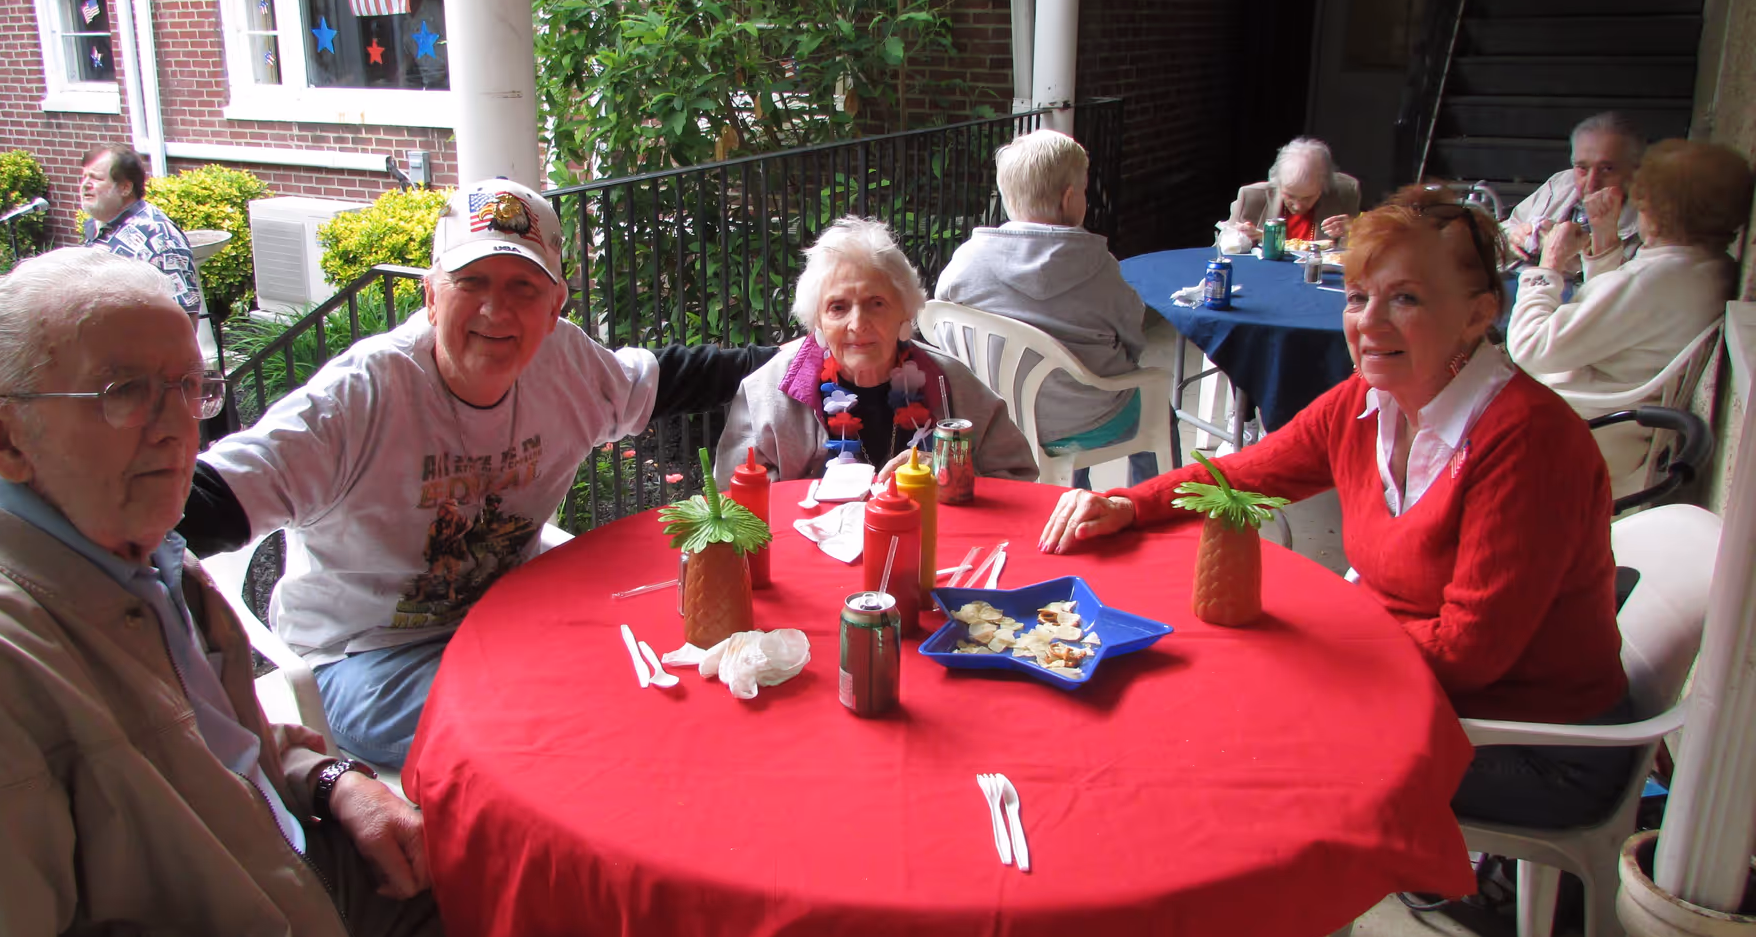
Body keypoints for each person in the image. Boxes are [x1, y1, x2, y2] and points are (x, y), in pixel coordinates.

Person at [0, 248, 617, 937]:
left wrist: (327, 778)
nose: (178, 429)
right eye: (124, 392)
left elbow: (200, 737)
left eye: (188, 389)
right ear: (0, 435)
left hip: (269, 884)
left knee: (546, 872)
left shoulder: (121, 551)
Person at [1040, 186, 1631, 831]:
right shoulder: (1367, 403)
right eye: (1357, 297)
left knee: (1237, 759)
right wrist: (1127, 503)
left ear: (1476, 314)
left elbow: (1468, 656)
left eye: (1405, 298)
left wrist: (1301, 649)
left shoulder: (1528, 442)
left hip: (1525, 741)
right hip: (1414, 684)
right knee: (1190, 702)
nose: (1369, 323)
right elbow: (1244, 474)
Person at [182, 179, 769, 770]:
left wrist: (803, 356)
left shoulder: (563, 362)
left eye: (523, 287)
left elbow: (670, 379)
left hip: (512, 618)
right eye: (472, 283)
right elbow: (200, 500)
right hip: (367, 656)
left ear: (554, 306)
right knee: (552, 733)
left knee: (661, 668)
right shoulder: (361, 397)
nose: (496, 310)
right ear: (432, 296)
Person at [716, 215, 1037, 485]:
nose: (858, 323)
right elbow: (738, 504)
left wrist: (948, 474)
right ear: (818, 321)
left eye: (876, 304)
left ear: (906, 311)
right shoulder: (766, 395)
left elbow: (1017, 478)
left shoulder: (953, 383)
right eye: (838, 307)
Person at [1508, 139, 1752, 491]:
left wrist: (1549, 266)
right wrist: (1604, 243)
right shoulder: (1707, 265)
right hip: (1610, 424)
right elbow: (1616, 318)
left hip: (1565, 433)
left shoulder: (1655, 281)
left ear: (1652, 208)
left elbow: (1531, 348)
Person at [934, 130, 1149, 480]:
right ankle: (1149, 507)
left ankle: (1064, 495)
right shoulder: (1099, 266)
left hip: (996, 416)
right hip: (1089, 421)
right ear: (1068, 199)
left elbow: (939, 321)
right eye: (1083, 190)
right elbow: (1134, 336)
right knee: (1157, 405)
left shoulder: (967, 261)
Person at [1503, 110, 1645, 271]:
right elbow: (1497, 236)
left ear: (1636, 171)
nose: (1591, 184)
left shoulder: (1651, 219)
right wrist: (1514, 237)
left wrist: (1564, 256)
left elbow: (1625, 287)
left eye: (1607, 169)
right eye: (1582, 168)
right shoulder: (1561, 184)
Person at [80, 143, 206, 318]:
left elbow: (183, 315)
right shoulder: (98, 227)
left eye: (96, 179)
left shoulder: (159, 237)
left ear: (125, 188)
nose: (85, 185)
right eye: (84, 177)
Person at [1226, 137, 1361, 245]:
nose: (1298, 206)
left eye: (1308, 198)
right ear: (1277, 184)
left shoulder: (1345, 193)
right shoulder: (1252, 197)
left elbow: (1356, 251)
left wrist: (1351, 231)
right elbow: (1222, 248)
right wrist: (1242, 239)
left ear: (1324, 186)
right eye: (1290, 196)